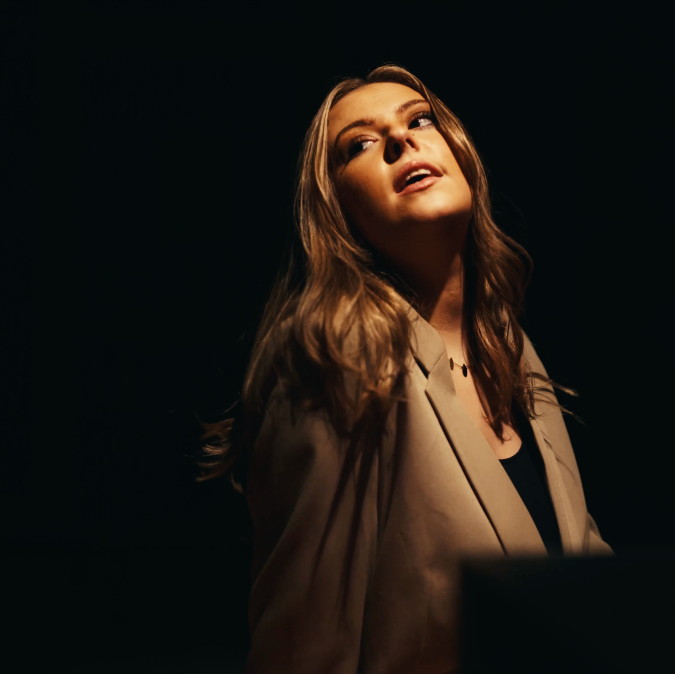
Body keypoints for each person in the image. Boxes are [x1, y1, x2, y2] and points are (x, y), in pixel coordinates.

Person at [198, 64, 613, 674]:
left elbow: (585, 579)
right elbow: (303, 649)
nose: (401, 139)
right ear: (336, 211)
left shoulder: (509, 343)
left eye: (420, 120)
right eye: (359, 145)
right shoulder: (333, 356)